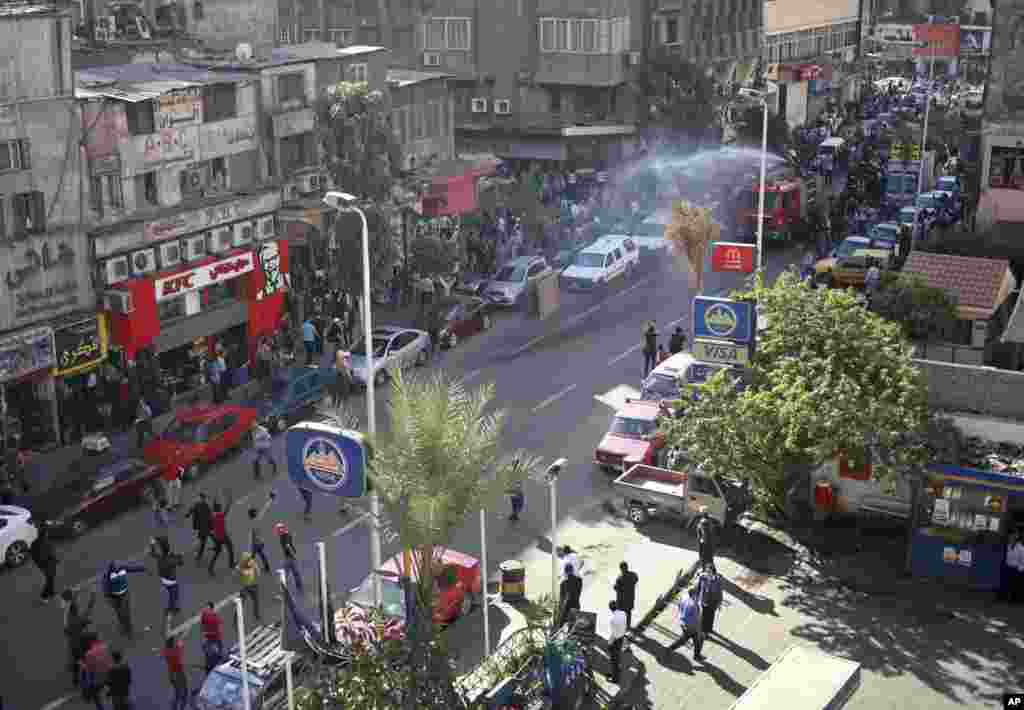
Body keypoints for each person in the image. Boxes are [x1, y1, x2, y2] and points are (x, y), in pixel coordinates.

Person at [102, 560, 147, 636]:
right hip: (114, 597)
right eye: (115, 568)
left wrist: (143, 568)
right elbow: (105, 587)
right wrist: (108, 598)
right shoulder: (108, 575)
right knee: (119, 613)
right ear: (111, 568)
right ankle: (123, 626)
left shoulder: (122, 568)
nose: (117, 568)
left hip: (124, 594)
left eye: (118, 567)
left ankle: (129, 629)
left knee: (126, 612)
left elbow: (133, 568)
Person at [62, 588, 97, 686]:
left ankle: (75, 681)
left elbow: (66, 629)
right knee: (84, 662)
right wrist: (93, 598)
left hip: (72, 646)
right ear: (76, 610)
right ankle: (85, 679)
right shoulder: (80, 620)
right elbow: (89, 610)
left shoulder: (68, 621)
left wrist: (74, 596)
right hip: (81, 645)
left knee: (75, 664)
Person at [663, 587, 704, 661]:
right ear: (694, 595)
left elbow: (679, 605)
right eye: (697, 594)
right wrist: (698, 628)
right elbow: (696, 618)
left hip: (683, 623)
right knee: (698, 638)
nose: (698, 596)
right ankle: (696, 656)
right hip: (691, 626)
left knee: (688, 639)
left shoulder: (685, 598)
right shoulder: (693, 604)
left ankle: (670, 649)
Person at [153, 542, 183, 632]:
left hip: (163, 580)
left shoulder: (159, 557)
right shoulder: (171, 560)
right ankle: (170, 614)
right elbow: (181, 563)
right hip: (171, 582)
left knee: (172, 594)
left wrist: (152, 545)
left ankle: (173, 607)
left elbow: (153, 553)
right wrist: (179, 556)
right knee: (173, 597)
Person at [79, 632, 113, 710]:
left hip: (99, 679)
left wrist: (82, 665)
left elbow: (89, 670)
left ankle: (91, 699)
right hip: (110, 675)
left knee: (94, 692)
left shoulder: (89, 654)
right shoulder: (106, 647)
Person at [248, 491, 276, 573]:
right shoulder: (258, 518)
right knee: (260, 554)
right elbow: (265, 508)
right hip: (260, 541)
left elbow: (252, 535)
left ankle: (250, 567)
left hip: (256, 543)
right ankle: (266, 567)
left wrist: (251, 544)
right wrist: (270, 499)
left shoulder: (252, 523)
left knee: (254, 555)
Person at [208, 496, 237, 576]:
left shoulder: (212, 516)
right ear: (219, 509)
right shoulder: (220, 515)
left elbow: (212, 510)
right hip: (224, 536)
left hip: (217, 537)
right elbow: (227, 510)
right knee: (230, 549)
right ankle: (231, 564)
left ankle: (210, 568)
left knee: (217, 553)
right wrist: (229, 502)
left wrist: (214, 501)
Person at [30, 524, 58, 602]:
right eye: (47, 533)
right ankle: (44, 596)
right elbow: (48, 554)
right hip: (48, 564)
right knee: (50, 579)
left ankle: (51, 592)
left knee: (51, 578)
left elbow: (33, 555)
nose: (48, 534)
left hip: (43, 565)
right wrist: (54, 559)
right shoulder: (45, 543)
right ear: (45, 534)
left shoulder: (35, 543)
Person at [274, 523, 305, 594]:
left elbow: (288, 546)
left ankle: (283, 590)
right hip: (289, 557)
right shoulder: (285, 535)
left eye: (278, 530)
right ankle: (299, 588)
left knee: (285, 574)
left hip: (289, 557)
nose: (277, 532)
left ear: (281, 529)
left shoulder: (284, 536)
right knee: (295, 573)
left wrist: (293, 555)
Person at [161, 635, 189, 710]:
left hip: (171, 673)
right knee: (184, 690)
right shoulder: (176, 650)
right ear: (173, 643)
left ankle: (174, 706)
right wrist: (180, 641)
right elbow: (180, 646)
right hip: (179, 672)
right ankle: (182, 706)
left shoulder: (166, 651)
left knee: (177, 691)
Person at [187, 493, 213, 564]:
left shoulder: (197, 505)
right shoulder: (206, 506)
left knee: (200, 540)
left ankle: (198, 553)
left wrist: (187, 515)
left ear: (201, 498)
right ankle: (198, 554)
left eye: (199, 498)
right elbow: (210, 517)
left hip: (200, 526)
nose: (198, 499)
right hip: (204, 527)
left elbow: (190, 511)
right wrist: (211, 527)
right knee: (202, 541)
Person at [697, 564, 724, 636]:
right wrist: (697, 598)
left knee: (710, 617)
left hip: (713, 603)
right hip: (704, 601)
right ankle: (703, 631)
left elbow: (720, 592)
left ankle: (709, 629)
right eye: (706, 571)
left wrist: (719, 603)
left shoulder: (717, 580)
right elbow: (698, 588)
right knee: (703, 617)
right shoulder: (702, 577)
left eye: (709, 572)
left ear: (713, 572)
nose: (707, 573)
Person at [200, 602, 225, 673]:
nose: (206, 610)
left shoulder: (214, 616)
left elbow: (219, 626)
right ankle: (211, 665)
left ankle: (216, 662)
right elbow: (203, 624)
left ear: (211, 609)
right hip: (211, 636)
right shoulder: (206, 615)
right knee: (210, 652)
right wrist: (204, 635)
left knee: (214, 651)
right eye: (206, 608)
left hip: (214, 636)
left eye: (207, 608)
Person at [607, 600, 628, 683]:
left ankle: (615, 678)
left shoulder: (612, 620)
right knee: (617, 657)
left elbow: (614, 634)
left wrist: (609, 643)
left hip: (616, 641)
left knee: (614, 661)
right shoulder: (623, 613)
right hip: (622, 638)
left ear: (610, 609)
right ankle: (616, 672)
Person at [614, 562, 639, 630]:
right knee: (628, 613)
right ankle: (627, 626)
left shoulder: (620, 578)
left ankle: (624, 627)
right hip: (629, 598)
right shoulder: (633, 575)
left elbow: (616, 588)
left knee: (623, 613)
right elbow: (636, 579)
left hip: (622, 599)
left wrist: (617, 587)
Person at [237, 553, 262, 622]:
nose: (249, 561)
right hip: (245, 587)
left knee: (256, 601)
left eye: (249, 559)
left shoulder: (251, 562)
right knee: (241, 603)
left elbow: (257, 569)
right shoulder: (241, 567)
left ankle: (257, 615)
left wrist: (256, 568)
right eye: (247, 560)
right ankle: (236, 618)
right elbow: (245, 573)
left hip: (253, 585)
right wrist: (251, 569)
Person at [558, 563, 582, 628]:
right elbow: (578, 592)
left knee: (562, 626)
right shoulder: (579, 580)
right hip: (576, 605)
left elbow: (562, 599)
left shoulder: (563, 583)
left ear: (565, 572)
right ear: (572, 570)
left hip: (567, 607)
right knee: (574, 627)